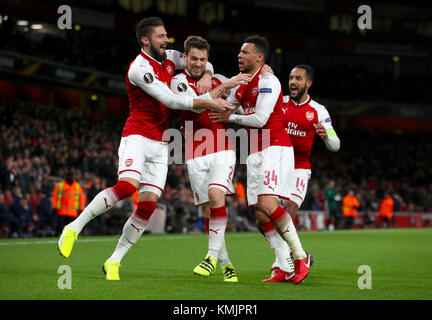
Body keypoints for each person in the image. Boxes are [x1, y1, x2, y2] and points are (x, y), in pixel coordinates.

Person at [57, 17, 234, 281]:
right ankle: (73, 227)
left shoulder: (170, 56)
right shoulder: (139, 69)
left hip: (162, 144)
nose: (166, 40)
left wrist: (208, 74)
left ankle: (114, 261)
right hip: (138, 136)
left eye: (166, 36)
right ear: (145, 40)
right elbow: (171, 99)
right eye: (161, 36)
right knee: (128, 186)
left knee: (148, 206)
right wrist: (209, 103)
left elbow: (201, 60)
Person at [210, 35, 311, 284]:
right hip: (255, 151)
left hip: (274, 147)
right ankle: (284, 264)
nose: (239, 56)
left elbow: (260, 119)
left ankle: (299, 257)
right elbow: (225, 106)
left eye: (245, 52)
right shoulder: (242, 85)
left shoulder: (269, 81)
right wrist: (214, 90)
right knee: (260, 217)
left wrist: (229, 119)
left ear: (260, 57)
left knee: (267, 204)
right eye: (239, 52)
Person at [170, 36, 249, 282]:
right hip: (194, 154)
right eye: (193, 59)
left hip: (222, 148)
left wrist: (230, 112)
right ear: (185, 58)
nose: (198, 64)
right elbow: (198, 107)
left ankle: (210, 256)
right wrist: (222, 90)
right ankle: (226, 264)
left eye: (203, 60)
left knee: (217, 195)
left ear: (208, 60)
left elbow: (240, 107)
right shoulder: (177, 82)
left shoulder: (220, 79)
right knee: (207, 209)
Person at [256, 64, 340, 281]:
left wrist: (327, 137)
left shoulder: (319, 111)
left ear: (308, 83)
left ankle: (285, 263)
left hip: (298, 170)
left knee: (288, 210)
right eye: (291, 78)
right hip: (275, 164)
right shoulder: (279, 102)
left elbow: (336, 144)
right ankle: (290, 260)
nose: (293, 82)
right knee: (260, 217)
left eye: (298, 79)